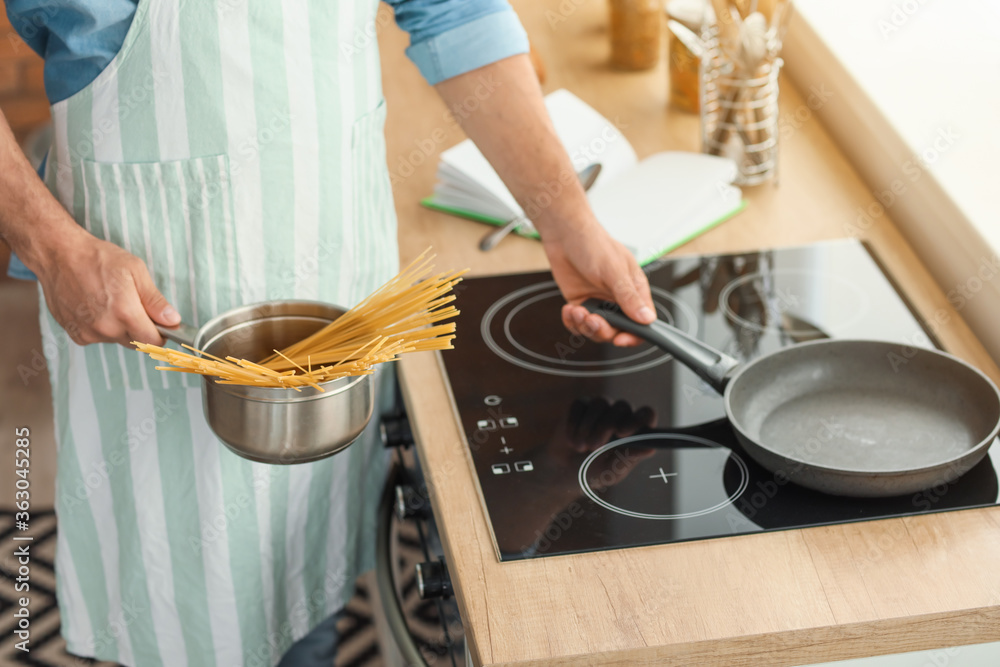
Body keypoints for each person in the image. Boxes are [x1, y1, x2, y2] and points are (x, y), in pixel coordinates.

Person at [0, 0, 656, 664]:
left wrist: (567, 220)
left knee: (311, 587)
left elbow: (455, 12)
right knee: (188, 611)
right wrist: (52, 246)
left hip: (337, 285)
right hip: (148, 323)